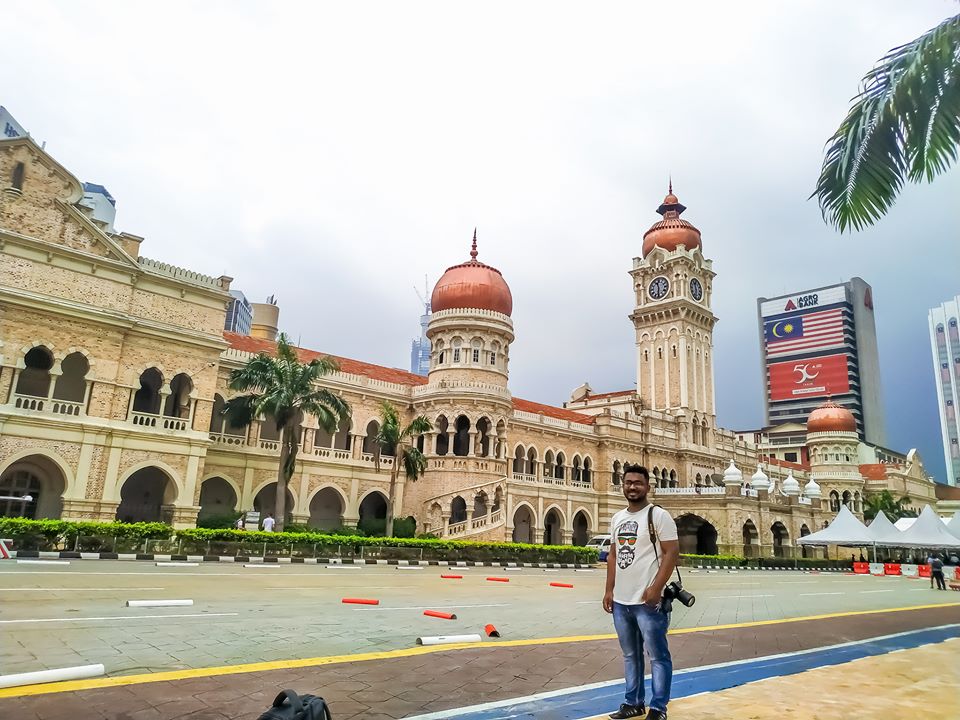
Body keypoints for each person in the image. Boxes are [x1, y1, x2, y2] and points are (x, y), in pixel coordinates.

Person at [602, 463, 679, 720]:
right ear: (622, 485)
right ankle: (633, 702)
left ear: (648, 486)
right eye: (628, 483)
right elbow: (613, 555)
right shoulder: (617, 518)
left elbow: (672, 553)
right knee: (630, 655)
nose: (632, 487)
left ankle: (658, 708)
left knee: (658, 656)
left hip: (648, 602)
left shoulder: (658, 516)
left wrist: (656, 588)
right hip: (622, 601)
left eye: (637, 483)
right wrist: (608, 590)